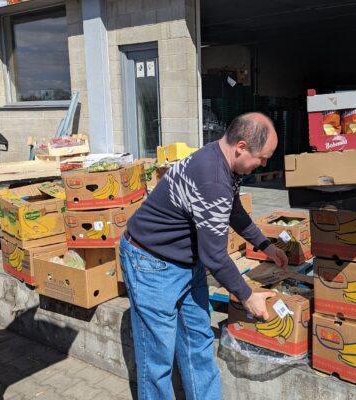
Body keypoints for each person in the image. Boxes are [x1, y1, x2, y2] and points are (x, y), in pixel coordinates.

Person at [119, 112, 288, 399]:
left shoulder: (226, 166)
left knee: (197, 342)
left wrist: (265, 246)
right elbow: (215, 256)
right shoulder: (212, 178)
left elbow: (233, 209)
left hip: (186, 262)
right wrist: (247, 296)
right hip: (151, 263)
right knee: (157, 359)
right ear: (242, 147)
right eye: (263, 157)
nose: (264, 164)